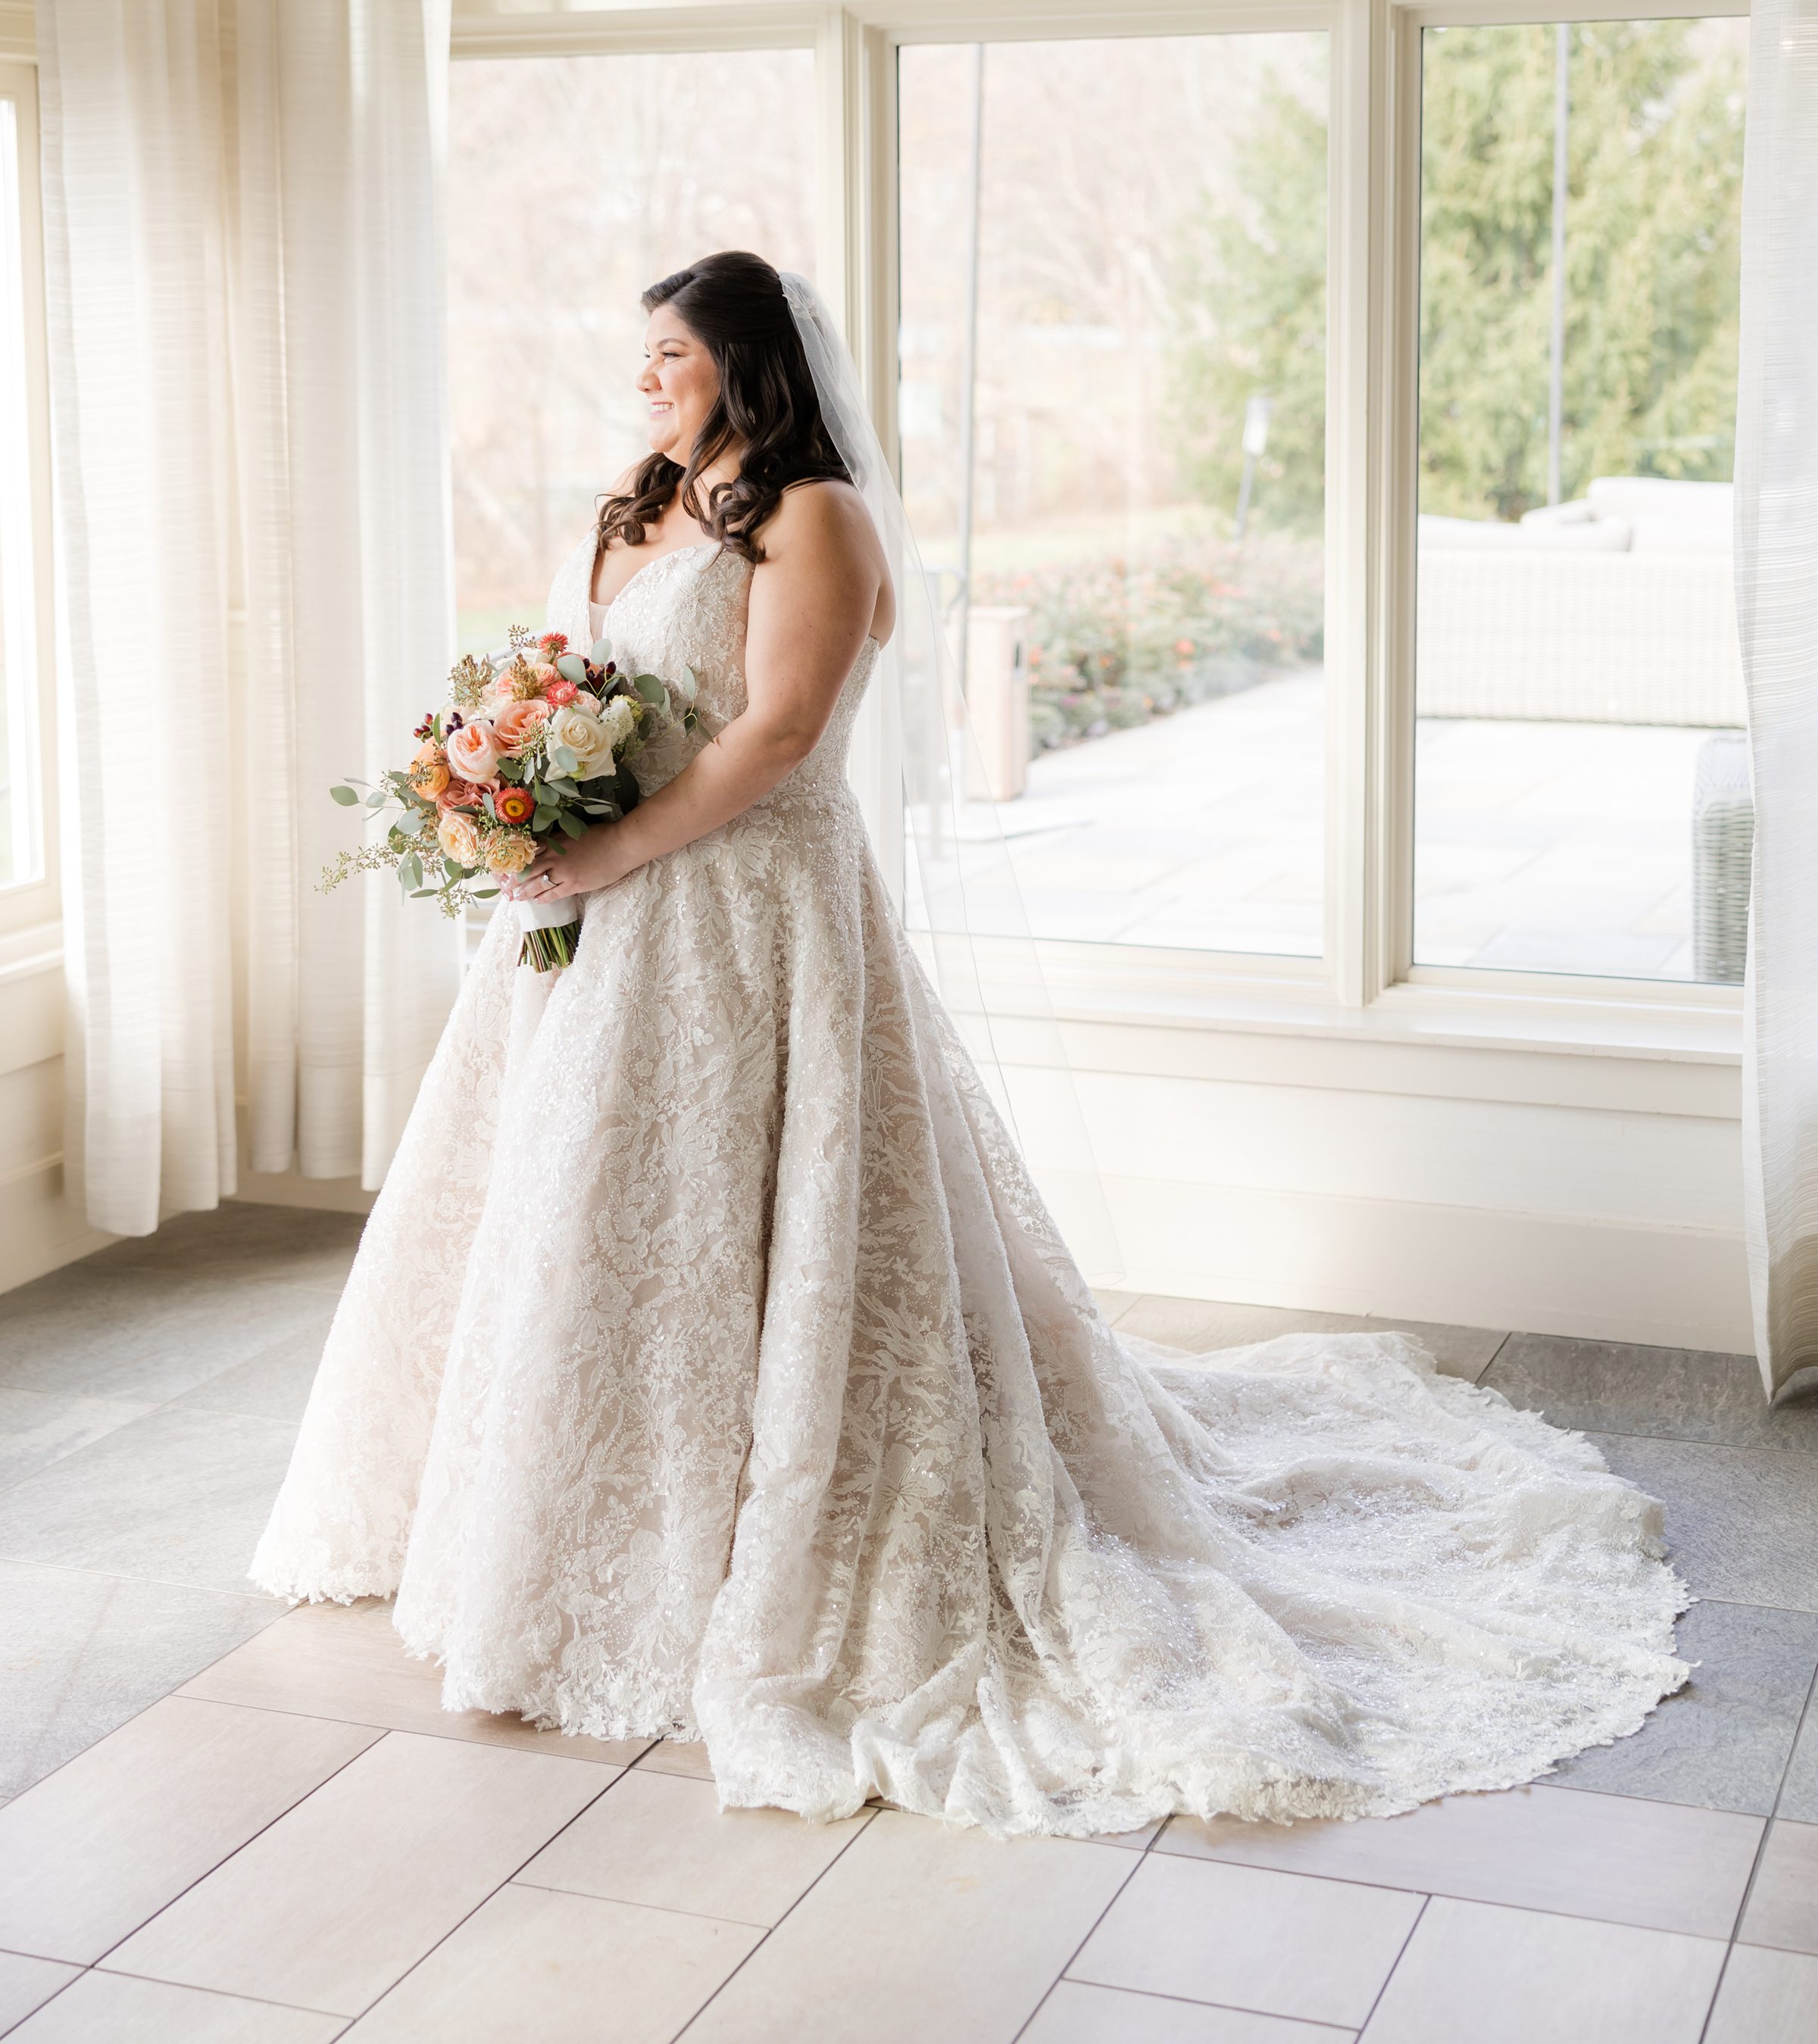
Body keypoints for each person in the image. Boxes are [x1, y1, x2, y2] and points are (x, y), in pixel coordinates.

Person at [253, 248, 1687, 1839]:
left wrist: (606, 843)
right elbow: (581, 685)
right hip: (604, 932)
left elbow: (780, 734)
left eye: (669, 352)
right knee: (598, 1234)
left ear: (746, 359)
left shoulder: (816, 516)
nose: (644, 378)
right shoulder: (638, 494)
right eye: (641, 355)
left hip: (747, 923)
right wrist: (519, 789)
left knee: (762, 1230)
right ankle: (567, 1536)